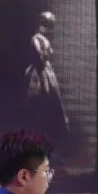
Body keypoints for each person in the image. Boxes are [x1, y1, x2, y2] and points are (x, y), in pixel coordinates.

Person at [23, 11, 69, 143]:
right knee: (38, 106)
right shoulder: (36, 39)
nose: (49, 29)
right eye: (47, 25)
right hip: (38, 76)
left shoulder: (44, 40)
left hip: (45, 73)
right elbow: (40, 58)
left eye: (50, 26)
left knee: (50, 104)